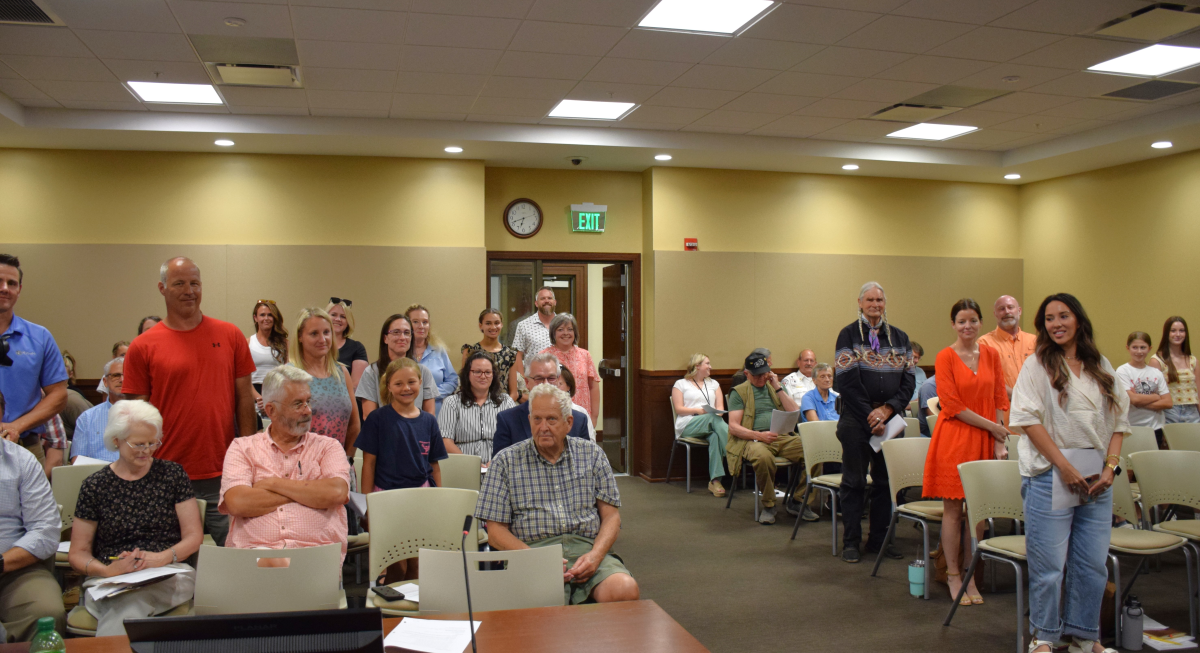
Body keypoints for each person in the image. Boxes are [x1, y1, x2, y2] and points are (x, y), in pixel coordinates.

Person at [1010, 293, 1129, 653]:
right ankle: (1043, 636)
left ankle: (1084, 635)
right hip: (1050, 475)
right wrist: (1064, 466)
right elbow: (1027, 420)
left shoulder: (1100, 364)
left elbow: (1119, 420)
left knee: (1092, 565)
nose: (1056, 324)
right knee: (1049, 568)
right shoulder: (1037, 365)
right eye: (1049, 318)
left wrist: (1111, 468)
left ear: (1078, 320)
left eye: (1063, 316)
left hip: (1096, 478)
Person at [122, 257, 257, 547]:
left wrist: (249, 455)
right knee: (170, 561)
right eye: (179, 283)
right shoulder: (142, 346)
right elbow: (135, 416)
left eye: (194, 283)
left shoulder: (230, 335)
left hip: (225, 473)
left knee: (237, 556)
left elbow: (245, 399)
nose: (189, 290)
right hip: (165, 476)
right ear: (162, 288)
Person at [475, 383, 639, 605]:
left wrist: (596, 556)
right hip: (531, 552)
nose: (543, 427)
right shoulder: (505, 461)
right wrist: (538, 560)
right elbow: (495, 532)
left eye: (551, 419)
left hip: (586, 548)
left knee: (625, 589)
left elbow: (611, 517)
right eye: (537, 419)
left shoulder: (592, 454)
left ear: (568, 423)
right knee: (541, 603)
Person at [69, 400, 200, 637]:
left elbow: (193, 537)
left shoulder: (172, 475)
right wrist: (108, 571)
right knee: (125, 602)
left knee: (127, 605)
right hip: (109, 580)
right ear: (116, 440)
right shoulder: (95, 486)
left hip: (168, 572)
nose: (147, 451)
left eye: (153, 443)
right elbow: (78, 553)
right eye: (138, 444)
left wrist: (161, 558)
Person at [922, 299, 1010, 606]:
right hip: (954, 439)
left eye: (973, 320)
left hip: (986, 440)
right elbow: (952, 405)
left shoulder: (992, 354)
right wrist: (995, 428)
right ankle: (954, 574)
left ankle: (972, 574)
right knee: (953, 510)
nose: (967, 326)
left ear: (980, 323)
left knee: (978, 513)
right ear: (953, 324)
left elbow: (1001, 397)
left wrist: (1000, 439)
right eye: (961, 321)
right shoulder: (945, 356)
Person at [220, 366, 351, 563]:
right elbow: (237, 503)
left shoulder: (328, 447)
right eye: (298, 404)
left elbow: (337, 493)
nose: (307, 410)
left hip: (314, 558)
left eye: (308, 401)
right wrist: (309, 494)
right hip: (254, 557)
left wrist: (272, 484)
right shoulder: (242, 448)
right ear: (271, 410)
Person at [833, 281, 915, 563]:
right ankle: (851, 542)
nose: (875, 304)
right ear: (859, 303)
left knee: (885, 483)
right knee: (853, 483)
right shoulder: (848, 335)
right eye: (869, 300)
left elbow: (909, 381)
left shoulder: (901, 338)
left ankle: (879, 540)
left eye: (879, 300)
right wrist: (871, 415)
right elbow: (846, 382)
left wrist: (888, 410)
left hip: (891, 422)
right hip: (856, 421)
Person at [0, 389, 64, 642]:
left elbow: (45, 531)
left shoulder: (22, 461)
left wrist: (2, 562)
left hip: (12, 569)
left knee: (46, 611)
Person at [0, 254, 68, 474]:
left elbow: (58, 394)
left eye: (12, 283)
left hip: (25, 446)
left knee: (30, 509)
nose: (5, 289)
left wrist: (16, 426)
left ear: (19, 289)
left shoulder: (39, 337)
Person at [727, 353, 806, 525]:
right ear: (747, 374)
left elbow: (794, 412)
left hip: (781, 436)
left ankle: (799, 500)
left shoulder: (775, 387)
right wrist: (759, 435)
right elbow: (733, 426)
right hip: (753, 439)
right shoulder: (739, 392)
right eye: (757, 375)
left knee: (814, 451)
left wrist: (777, 387)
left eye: (765, 373)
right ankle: (769, 504)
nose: (762, 378)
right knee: (763, 457)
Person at [359, 358, 447, 492]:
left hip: (423, 492)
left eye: (411, 382)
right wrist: (366, 503)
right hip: (385, 493)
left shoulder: (429, 421)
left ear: (420, 383)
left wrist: (439, 497)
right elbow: (369, 464)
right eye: (398, 384)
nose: (406, 388)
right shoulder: (376, 419)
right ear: (389, 386)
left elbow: (434, 464)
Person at [492, 353, 590, 457]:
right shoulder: (508, 420)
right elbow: (500, 465)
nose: (546, 384)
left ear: (558, 380)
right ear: (527, 382)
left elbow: (587, 463)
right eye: (539, 378)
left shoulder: (579, 420)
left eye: (551, 378)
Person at [291, 308, 359, 454]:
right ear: (300, 337)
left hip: (339, 466)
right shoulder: (290, 375)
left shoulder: (341, 372)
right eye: (314, 333)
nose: (322, 340)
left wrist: (347, 459)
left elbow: (354, 425)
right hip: (302, 467)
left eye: (326, 332)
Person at [437, 351, 517, 464]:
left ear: (493, 375)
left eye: (488, 372)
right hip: (463, 466)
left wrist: (496, 462)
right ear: (467, 374)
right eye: (477, 372)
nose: (483, 376)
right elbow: (445, 441)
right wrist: (471, 464)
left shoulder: (506, 402)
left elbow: (515, 438)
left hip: (500, 465)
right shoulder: (452, 403)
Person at [356, 315, 437, 419]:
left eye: (407, 333)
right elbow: (369, 416)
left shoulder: (423, 372)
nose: (402, 337)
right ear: (385, 338)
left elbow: (430, 415)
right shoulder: (372, 372)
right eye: (396, 332)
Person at [671, 353, 729, 497]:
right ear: (697, 366)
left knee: (715, 436)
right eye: (707, 364)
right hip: (688, 424)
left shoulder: (714, 384)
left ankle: (715, 481)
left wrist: (714, 414)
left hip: (712, 423)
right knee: (711, 418)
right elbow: (679, 409)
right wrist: (698, 411)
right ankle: (734, 451)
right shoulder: (681, 384)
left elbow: (720, 409)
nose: (710, 367)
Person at [541, 313, 600, 425]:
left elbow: (593, 386)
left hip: (582, 414)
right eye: (560, 329)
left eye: (570, 329)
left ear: (575, 333)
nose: (566, 333)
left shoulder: (585, 355)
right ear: (553, 333)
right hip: (553, 415)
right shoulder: (544, 356)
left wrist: (594, 417)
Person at [977, 295, 1038, 403]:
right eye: (1001, 309)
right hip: (1002, 415)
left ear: (1019, 311)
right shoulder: (984, 343)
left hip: (1035, 414)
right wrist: (1022, 399)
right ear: (995, 314)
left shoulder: (1035, 341)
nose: (1006, 312)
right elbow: (989, 382)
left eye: (1010, 307)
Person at [1119, 331, 1172, 447]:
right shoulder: (1122, 371)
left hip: (1155, 428)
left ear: (1149, 348)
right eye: (1135, 347)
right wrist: (1155, 396)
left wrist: (1139, 400)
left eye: (1143, 347)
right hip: (1132, 427)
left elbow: (1168, 402)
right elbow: (1133, 400)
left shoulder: (1156, 373)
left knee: (1153, 462)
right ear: (1128, 348)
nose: (1139, 351)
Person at [406, 305, 459, 415]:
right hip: (407, 412)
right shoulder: (402, 352)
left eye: (425, 322)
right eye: (415, 322)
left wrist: (431, 394)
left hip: (436, 414)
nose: (421, 326)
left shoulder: (439, 350)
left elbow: (452, 380)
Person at [72, 357, 126, 463]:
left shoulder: (145, 415)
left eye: (127, 375)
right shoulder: (87, 418)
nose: (122, 380)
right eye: (116, 375)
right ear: (105, 382)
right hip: (97, 476)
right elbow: (77, 460)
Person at [1149, 316, 1200, 424]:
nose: (1178, 334)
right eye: (1173, 331)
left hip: (1192, 411)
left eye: (1181, 331)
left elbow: (1198, 391)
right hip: (1169, 411)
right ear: (1167, 333)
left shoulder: (1193, 360)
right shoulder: (1157, 360)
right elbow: (1153, 393)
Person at [461, 308, 519, 399]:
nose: (493, 327)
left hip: (503, 406)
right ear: (481, 326)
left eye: (496, 323)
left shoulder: (510, 354)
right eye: (488, 323)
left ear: (502, 325)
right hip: (475, 404)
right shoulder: (470, 351)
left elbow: (514, 393)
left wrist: (504, 410)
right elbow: (465, 385)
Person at [248, 300, 288, 420]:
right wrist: (259, 398)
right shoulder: (247, 343)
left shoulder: (284, 344)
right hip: (254, 396)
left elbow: (288, 374)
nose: (266, 318)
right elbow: (243, 376)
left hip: (277, 396)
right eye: (262, 315)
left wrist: (274, 399)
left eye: (270, 315)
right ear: (255, 318)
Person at [511, 287, 557, 379]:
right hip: (534, 381)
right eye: (542, 298)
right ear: (536, 303)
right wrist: (523, 381)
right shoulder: (524, 325)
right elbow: (517, 355)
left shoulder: (564, 324)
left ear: (555, 302)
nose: (546, 301)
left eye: (549, 298)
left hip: (560, 381)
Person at [328, 298, 368, 397]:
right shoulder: (317, 345)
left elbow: (356, 385)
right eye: (333, 315)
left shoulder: (357, 348)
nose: (338, 319)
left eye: (343, 316)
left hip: (346, 403)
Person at [556, 367, 596, 441]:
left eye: (559, 384)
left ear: (568, 386)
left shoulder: (580, 413)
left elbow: (591, 442)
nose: (555, 389)